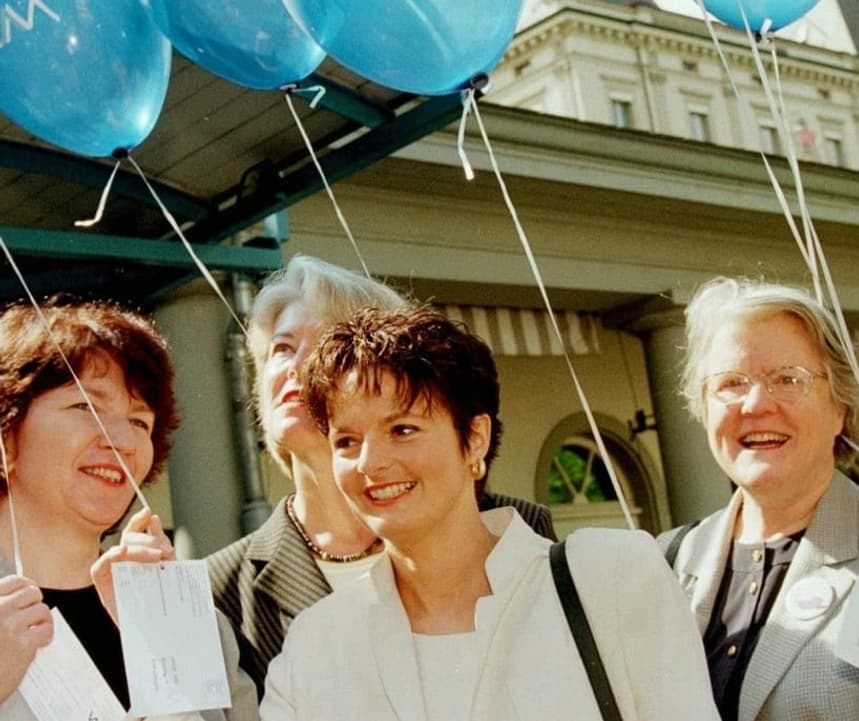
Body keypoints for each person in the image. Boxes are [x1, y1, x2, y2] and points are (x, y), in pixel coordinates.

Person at [260, 306, 721, 720]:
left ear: (475, 439)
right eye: (346, 441)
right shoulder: (315, 646)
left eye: (402, 429)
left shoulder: (611, 577)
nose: (369, 462)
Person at [206, 255, 556, 698]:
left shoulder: (515, 528)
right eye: (281, 348)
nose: (296, 367)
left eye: (324, 344)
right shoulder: (221, 587)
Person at [658, 276, 859, 721]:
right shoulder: (665, 562)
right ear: (703, 407)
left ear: (840, 407)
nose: (756, 404)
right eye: (731, 383)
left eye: (788, 378)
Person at [0, 297, 256, 720]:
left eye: (140, 421)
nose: (121, 440)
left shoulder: (188, 618)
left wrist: (159, 651)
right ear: (6, 434)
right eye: (87, 406)